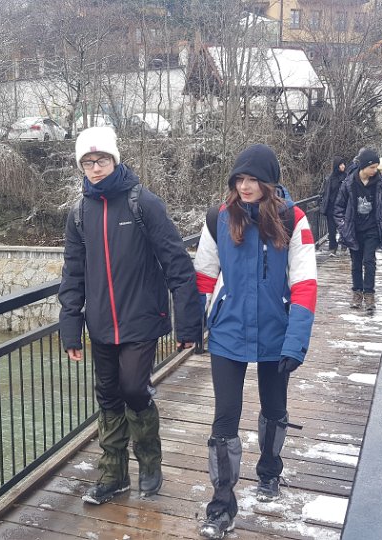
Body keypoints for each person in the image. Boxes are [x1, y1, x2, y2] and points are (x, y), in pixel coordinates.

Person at [58, 126, 202, 505]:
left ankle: (150, 463)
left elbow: (176, 262)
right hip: (101, 322)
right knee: (108, 396)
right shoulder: (79, 214)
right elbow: (73, 274)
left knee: (134, 389)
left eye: (101, 160)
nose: (95, 168)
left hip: (141, 318)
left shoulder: (143, 203)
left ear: (115, 160)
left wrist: (188, 324)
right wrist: (71, 327)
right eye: (88, 162)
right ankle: (114, 476)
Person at [193, 144, 318, 539]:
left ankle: (269, 470)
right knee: (224, 420)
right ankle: (221, 507)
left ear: (270, 183)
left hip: (276, 332)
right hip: (228, 332)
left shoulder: (294, 220)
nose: (244, 187)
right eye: (239, 180)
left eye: (252, 180)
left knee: (274, 408)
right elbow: (204, 276)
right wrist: (195, 325)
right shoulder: (218, 218)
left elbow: (305, 285)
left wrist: (295, 342)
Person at [333, 147, 382, 315]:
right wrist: (343, 226)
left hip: (373, 229)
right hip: (354, 229)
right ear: (364, 166)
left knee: (369, 261)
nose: (375, 170)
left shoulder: (380, 185)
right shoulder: (349, 183)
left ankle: (369, 294)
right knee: (356, 263)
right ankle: (357, 293)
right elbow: (338, 208)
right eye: (372, 167)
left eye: (376, 167)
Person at [320, 156, 348, 255]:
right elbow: (326, 192)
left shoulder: (347, 177)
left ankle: (344, 245)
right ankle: (332, 247)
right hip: (331, 207)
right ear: (337, 165)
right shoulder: (330, 178)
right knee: (331, 230)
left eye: (344, 164)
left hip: (343, 207)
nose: (343, 166)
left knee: (343, 227)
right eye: (341, 164)